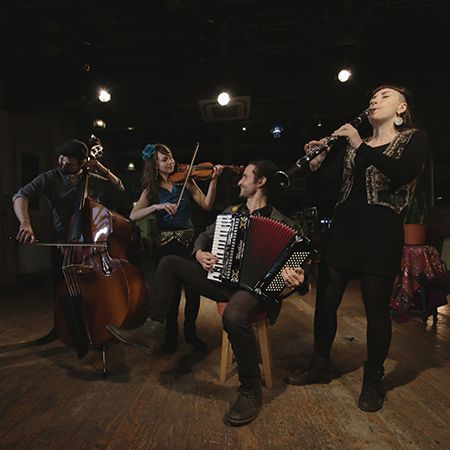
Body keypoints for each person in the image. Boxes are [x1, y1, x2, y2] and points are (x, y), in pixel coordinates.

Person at [106, 159, 305, 426]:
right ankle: (153, 328)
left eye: (245, 177)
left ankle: (250, 388)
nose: (239, 182)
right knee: (170, 262)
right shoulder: (232, 212)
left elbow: (298, 269)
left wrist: (298, 278)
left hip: (255, 291)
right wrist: (199, 253)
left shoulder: (284, 222)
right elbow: (204, 235)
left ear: (261, 182)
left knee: (233, 316)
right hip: (225, 282)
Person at [285, 84, 429, 412]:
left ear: (402, 108)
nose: (375, 100)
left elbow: (404, 173)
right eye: (373, 97)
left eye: (385, 96)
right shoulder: (354, 145)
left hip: (381, 233)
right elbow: (328, 188)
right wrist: (319, 163)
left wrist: (359, 145)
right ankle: (320, 363)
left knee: (375, 310)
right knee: (326, 303)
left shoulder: (413, 138)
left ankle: (373, 378)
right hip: (344, 231)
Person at [12, 138, 125, 345]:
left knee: (93, 286)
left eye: (70, 162)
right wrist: (25, 223)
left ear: (82, 163)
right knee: (60, 287)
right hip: (63, 240)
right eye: (61, 158)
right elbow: (21, 196)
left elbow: (119, 188)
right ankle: (61, 328)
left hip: (90, 243)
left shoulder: (92, 178)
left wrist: (102, 169)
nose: (63, 163)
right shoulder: (51, 177)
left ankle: (94, 327)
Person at [129, 143, 223, 354]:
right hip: (165, 245)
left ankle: (191, 333)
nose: (170, 162)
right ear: (155, 165)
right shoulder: (151, 190)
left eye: (170, 157)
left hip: (188, 242)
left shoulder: (187, 181)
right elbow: (133, 215)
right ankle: (170, 336)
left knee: (193, 292)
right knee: (170, 295)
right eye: (164, 159)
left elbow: (207, 204)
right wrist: (156, 206)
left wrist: (214, 180)